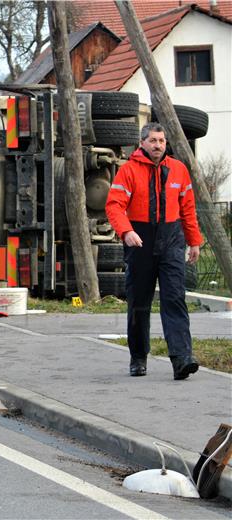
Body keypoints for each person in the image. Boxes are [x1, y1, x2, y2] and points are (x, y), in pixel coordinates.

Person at [105, 122, 202, 380]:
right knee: (139, 303)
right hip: (140, 241)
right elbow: (114, 206)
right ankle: (138, 358)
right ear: (142, 143)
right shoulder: (128, 171)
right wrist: (126, 231)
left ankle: (182, 359)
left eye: (161, 140)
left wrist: (194, 241)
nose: (158, 145)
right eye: (153, 141)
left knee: (174, 299)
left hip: (171, 241)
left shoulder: (179, 170)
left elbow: (188, 210)